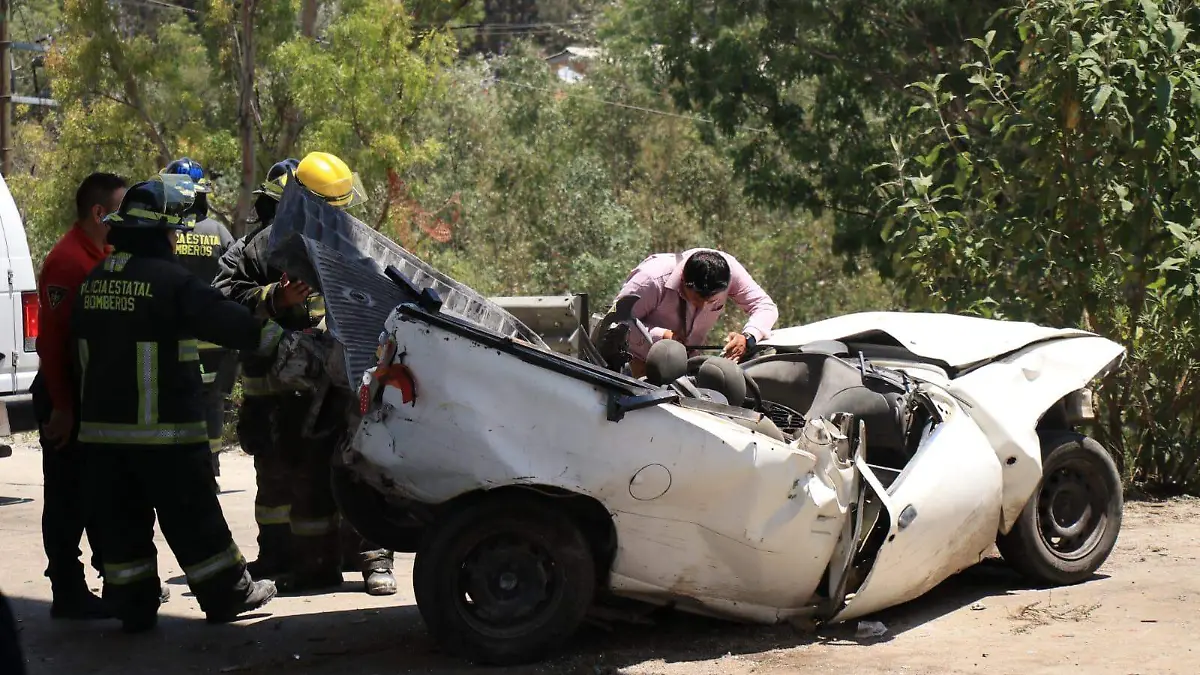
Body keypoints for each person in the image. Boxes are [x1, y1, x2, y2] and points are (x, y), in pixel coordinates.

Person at [72, 174, 284, 632]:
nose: (175, 239)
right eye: (173, 231)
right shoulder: (168, 281)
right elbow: (227, 322)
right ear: (159, 232)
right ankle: (228, 593)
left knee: (121, 526)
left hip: (103, 439)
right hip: (165, 433)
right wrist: (274, 335)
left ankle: (133, 603)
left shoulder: (93, 282)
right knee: (195, 518)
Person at [214, 152, 397, 596]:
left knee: (358, 467)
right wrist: (274, 298)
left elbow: (383, 297)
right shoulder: (259, 249)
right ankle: (297, 563)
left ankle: (372, 559)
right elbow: (220, 300)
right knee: (290, 478)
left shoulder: (353, 245)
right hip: (281, 389)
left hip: (344, 382)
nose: (333, 219)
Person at [31, 172, 125, 620]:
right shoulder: (68, 262)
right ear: (99, 213)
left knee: (97, 491)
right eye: (120, 210)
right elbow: (51, 343)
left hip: (87, 394)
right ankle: (67, 591)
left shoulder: (102, 254)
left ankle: (115, 578)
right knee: (67, 496)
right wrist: (64, 408)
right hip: (63, 393)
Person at [160, 158, 237, 489]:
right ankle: (212, 465)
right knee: (212, 402)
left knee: (177, 400)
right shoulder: (219, 233)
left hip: (176, 338)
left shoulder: (164, 234)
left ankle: (181, 465)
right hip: (215, 339)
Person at [613, 248, 779, 377]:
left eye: (711, 302)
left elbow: (765, 306)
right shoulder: (651, 278)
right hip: (633, 364)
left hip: (683, 369)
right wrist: (661, 336)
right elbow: (615, 322)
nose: (702, 307)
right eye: (696, 299)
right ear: (683, 279)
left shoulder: (731, 271)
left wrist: (748, 337)